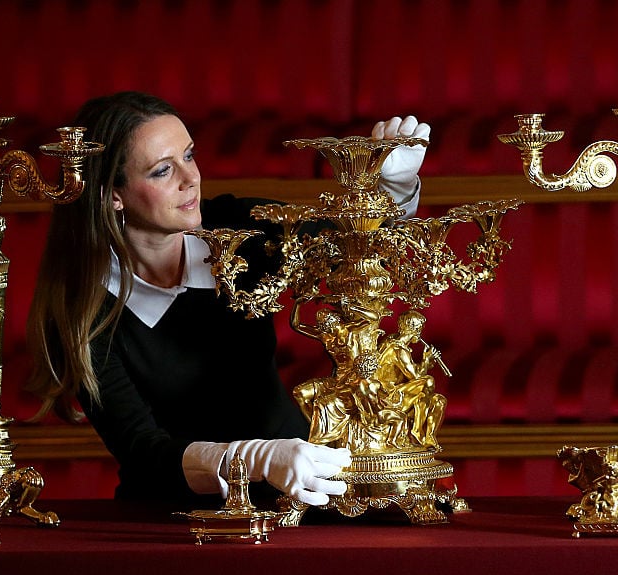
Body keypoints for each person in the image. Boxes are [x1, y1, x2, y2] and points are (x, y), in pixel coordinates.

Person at [26, 91, 429, 508]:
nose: (190, 179)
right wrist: (255, 458)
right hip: (175, 518)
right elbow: (142, 452)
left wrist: (392, 191)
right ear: (114, 194)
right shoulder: (81, 312)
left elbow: (355, 252)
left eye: (189, 155)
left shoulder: (240, 229)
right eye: (163, 170)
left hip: (296, 495)